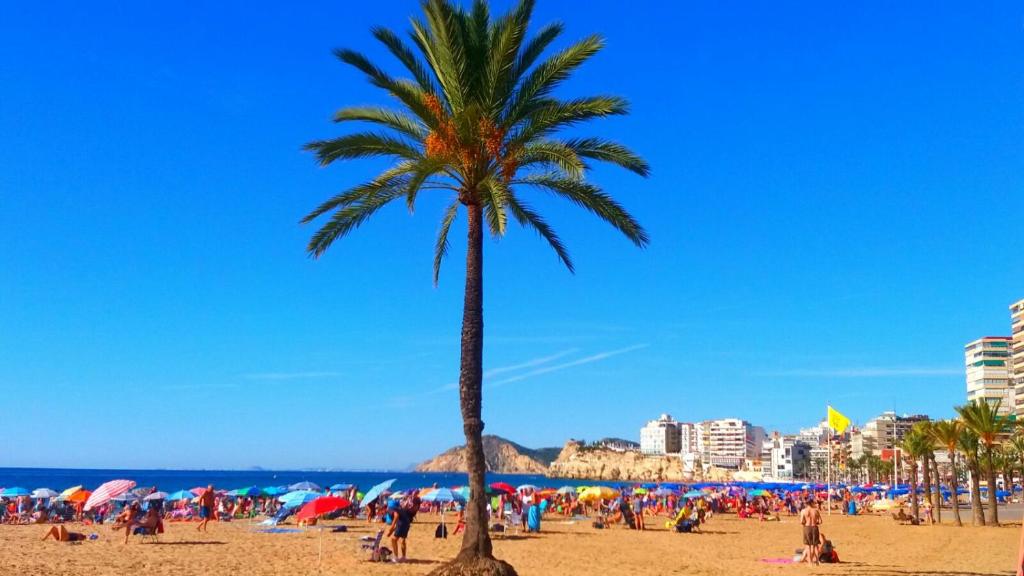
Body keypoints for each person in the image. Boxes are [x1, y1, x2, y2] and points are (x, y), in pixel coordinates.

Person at [799, 499, 822, 565]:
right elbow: (820, 521)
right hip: (814, 527)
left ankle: (810, 562)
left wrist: (805, 522)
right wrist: (816, 522)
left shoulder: (803, 511)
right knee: (815, 545)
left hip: (807, 527)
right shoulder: (816, 511)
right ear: (812, 503)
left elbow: (801, 521)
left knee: (808, 546)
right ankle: (817, 561)